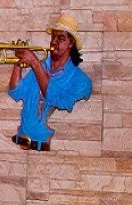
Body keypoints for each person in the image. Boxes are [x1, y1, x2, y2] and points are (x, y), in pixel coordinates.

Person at [7, 14, 92, 152]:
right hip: (21, 145)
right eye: (53, 37)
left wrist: (34, 63)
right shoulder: (41, 66)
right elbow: (15, 91)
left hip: (47, 151)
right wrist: (18, 64)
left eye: (61, 38)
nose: (54, 42)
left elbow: (56, 99)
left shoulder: (80, 80)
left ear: (71, 43)